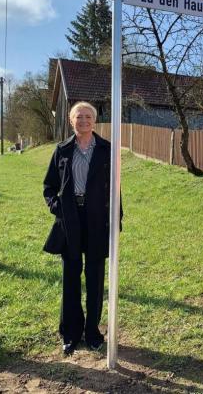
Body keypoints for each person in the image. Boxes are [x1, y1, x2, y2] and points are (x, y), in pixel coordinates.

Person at [43, 101, 120, 355]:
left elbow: (115, 190)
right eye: (79, 117)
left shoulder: (107, 150)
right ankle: (71, 333)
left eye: (88, 116)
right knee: (71, 277)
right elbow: (49, 187)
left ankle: (93, 333)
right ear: (70, 120)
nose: (84, 120)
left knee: (96, 278)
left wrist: (115, 221)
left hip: (97, 219)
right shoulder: (62, 150)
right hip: (71, 220)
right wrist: (58, 209)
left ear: (94, 121)